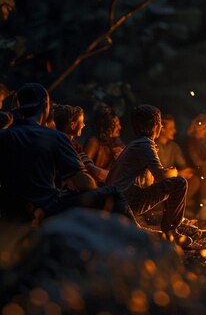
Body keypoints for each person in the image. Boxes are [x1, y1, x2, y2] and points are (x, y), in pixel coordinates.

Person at [0, 83, 131, 223]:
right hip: (48, 206)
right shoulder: (55, 137)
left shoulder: (6, 134)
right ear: (46, 106)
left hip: (12, 206)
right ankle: (134, 236)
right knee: (113, 193)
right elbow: (85, 184)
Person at [106, 105, 204, 245]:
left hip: (122, 199)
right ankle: (171, 231)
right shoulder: (144, 144)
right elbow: (162, 177)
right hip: (124, 202)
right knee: (179, 182)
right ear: (156, 125)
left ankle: (166, 229)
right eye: (160, 123)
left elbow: (150, 180)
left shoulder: (138, 143)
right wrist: (173, 171)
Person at [156, 114, 202, 215]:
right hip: (157, 182)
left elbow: (183, 165)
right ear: (162, 129)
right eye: (171, 128)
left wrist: (187, 171)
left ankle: (173, 209)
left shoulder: (174, 147)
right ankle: (158, 210)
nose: (175, 131)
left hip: (170, 180)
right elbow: (156, 172)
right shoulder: (153, 146)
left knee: (194, 180)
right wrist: (178, 173)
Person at [53, 104, 109, 184]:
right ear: (73, 125)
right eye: (81, 122)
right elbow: (94, 172)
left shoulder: (74, 144)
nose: (83, 125)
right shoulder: (67, 146)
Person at [85, 105, 125, 170]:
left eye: (119, 124)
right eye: (116, 125)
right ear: (107, 126)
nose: (120, 127)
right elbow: (84, 168)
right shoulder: (94, 142)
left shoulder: (116, 141)